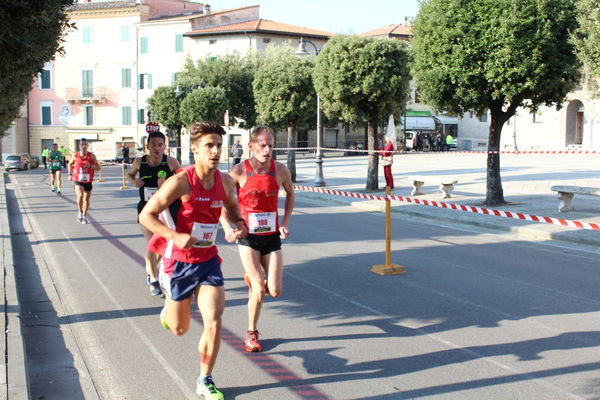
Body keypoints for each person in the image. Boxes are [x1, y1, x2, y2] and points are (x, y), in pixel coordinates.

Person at [140, 121, 247, 400]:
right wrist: (173, 235)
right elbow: (146, 216)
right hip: (179, 262)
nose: (215, 151)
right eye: (209, 146)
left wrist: (239, 224)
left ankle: (205, 380)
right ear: (195, 150)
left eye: (219, 146)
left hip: (208, 260)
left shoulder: (224, 181)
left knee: (214, 320)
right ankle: (169, 307)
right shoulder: (181, 181)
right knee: (179, 329)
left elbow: (234, 209)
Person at [225, 125, 295, 353]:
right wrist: (230, 227)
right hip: (248, 238)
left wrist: (284, 223)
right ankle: (251, 333)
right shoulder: (238, 171)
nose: (267, 150)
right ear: (251, 146)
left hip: (271, 236)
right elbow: (221, 201)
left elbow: (291, 193)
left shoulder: (281, 170)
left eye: (271, 146)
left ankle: (252, 278)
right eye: (262, 146)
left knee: (274, 291)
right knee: (258, 289)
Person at [127, 131, 180, 297]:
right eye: (153, 145)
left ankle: (157, 274)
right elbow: (130, 174)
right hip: (146, 209)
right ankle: (153, 278)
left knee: (163, 246)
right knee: (153, 244)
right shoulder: (139, 161)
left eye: (160, 145)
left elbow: (184, 181)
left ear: (165, 146)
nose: (157, 148)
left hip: (167, 210)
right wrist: (134, 181)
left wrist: (169, 183)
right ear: (147, 146)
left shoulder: (171, 162)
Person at [68, 139, 100, 224]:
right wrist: (70, 174)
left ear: (88, 145)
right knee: (80, 196)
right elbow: (70, 163)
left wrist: (91, 166)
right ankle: (80, 212)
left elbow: (98, 168)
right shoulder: (75, 155)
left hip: (88, 180)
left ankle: (84, 216)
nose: (84, 146)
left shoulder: (92, 156)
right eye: (82, 144)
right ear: (79, 146)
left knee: (86, 199)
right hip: (78, 179)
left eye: (85, 144)